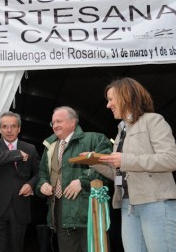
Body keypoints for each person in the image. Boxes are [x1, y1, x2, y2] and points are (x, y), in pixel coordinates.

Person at [94, 77, 176, 252]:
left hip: (155, 202)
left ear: (125, 96)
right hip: (128, 206)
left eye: (111, 100)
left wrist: (125, 159)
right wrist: (95, 162)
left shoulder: (154, 120)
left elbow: (171, 159)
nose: (108, 105)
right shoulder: (120, 132)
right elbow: (120, 172)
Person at [35, 106, 112, 252]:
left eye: (59, 121)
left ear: (73, 122)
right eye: (53, 123)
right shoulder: (50, 146)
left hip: (87, 211)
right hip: (60, 212)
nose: (55, 125)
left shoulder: (95, 139)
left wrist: (83, 181)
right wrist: (42, 185)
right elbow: (42, 174)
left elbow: (107, 165)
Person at [0, 111, 39, 252]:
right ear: (0, 129)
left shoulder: (30, 148)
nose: (9, 130)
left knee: (17, 247)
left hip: (20, 205)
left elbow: (39, 172)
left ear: (19, 128)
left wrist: (31, 184)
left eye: (13, 126)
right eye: (5, 126)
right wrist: (16, 154)